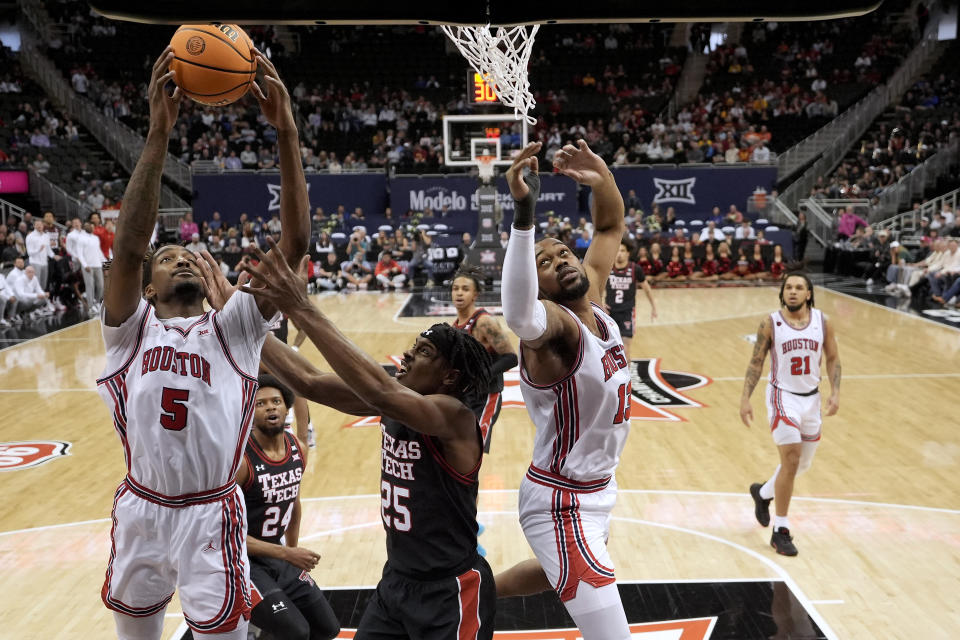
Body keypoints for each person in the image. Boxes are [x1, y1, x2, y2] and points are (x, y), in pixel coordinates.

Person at [95, 48, 309, 640]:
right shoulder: (129, 329)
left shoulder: (234, 325)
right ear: (148, 284)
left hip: (212, 511)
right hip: (142, 507)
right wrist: (158, 133)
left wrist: (286, 131)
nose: (181, 259)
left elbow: (294, 244)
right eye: (168, 258)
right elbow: (130, 244)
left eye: (190, 254)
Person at [196, 240, 497, 639]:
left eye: (422, 352)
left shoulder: (453, 417)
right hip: (397, 582)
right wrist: (242, 324)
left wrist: (301, 306)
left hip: (450, 592)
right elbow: (308, 381)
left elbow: (380, 392)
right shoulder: (395, 396)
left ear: (450, 377)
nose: (406, 357)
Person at [496, 140, 633, 639]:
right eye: (546, 262)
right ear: (538, 285)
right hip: (562, 501)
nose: (562, 260)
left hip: (598, 489)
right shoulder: (552, 329)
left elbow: (609, 226)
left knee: (560, 574)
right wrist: (524, 213)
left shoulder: (592, 300)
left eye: (563, 252)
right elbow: (517, 313)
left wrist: (604, 180)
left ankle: (463, 588)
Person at [740, 273, 841, 556]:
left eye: (799, 288)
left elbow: (832, 357)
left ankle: (762, 494)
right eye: (788, 288)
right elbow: (756, 362)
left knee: (800, 466)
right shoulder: (771, 323)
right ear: (782, 293)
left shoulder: (823, 322)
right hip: (782, 397)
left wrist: (835, 392)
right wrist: (745, 398)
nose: (793, 292)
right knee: (792, 459)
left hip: (812, 399)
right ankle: (780, 530)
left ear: (809, 293)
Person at [237, 374, 340, 640]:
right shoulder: (241, 463)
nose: (271, 407)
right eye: (261, 403)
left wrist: (291, 551)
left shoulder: (297, 448)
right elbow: (224, 535)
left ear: (287, 408)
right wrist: (287, 554)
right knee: (295, 631)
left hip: (277, 555)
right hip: (241, 563)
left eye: (276, 401)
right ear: (249, 411)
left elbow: (294, 504)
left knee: (327, 628)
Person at [450, 264, 518, 452]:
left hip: (486, 396)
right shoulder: (454, 326)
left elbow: (511, 358)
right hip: (464, 396)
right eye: (455, 289)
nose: (459, 293)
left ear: (475, 295)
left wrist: (482, 374)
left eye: (465, 289)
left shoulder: (483, 322)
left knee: (473, 449)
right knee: (457, 450)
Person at [604, 237, 657, 360]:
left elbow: (647, 289)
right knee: (607, 348)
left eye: (622, 250)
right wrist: (600, 302)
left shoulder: (635, 269)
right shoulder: (608, 268)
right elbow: (596, 286)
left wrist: (654, 307)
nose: (619, 254)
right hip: (609, 313)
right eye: (617, 250)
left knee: (625, 348)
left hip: (627, 312)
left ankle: (626, 378)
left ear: (628, 253)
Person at [78, 221, 105, 315]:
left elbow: (99, 252)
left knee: (101, 286)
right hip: (88, 266)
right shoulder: (81, 238)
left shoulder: (95, 238)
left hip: (97, 264)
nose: (91, 227)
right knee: (90, 285)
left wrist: (107, 262)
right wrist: (85, 265)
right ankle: (90, 306)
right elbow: (79, 254)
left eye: (92, 226)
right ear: (85, 227)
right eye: (89, 226)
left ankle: (97, 303)